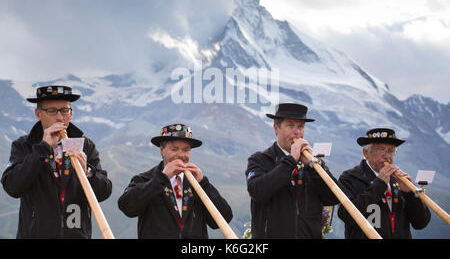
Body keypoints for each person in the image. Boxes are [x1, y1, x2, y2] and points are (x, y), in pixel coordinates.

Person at [1, 85, 112, 239]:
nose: (60, 117)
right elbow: (12, 187)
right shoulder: (24, 146)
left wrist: (88, 172)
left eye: (65, 110)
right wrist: (42, 149)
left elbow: (104, 192)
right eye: (52, 111)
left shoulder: (85, 145)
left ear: (71, 114)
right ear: (38, 114)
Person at [118, 123, 233, 239]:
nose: (181, 155)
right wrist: (161, 179)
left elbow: (223, 219)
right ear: (162, 150)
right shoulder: (145, 179)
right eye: (174, 149)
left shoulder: (197, 182)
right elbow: (127, 207)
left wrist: (203, 184)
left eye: (186, 150)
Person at [245, 103, 340, 239]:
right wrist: (291, 160)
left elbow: (333, 197)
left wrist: (313, 168)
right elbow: (257, 191)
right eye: (290, 126)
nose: (297, 132)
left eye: (300, 126)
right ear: (276, 128)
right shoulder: (260, 160)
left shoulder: (312, 163)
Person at [338, 128, 431, 238]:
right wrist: (379, 184)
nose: (387, 156)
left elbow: (420, 223)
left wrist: (409, 194)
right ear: (366, 153)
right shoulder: (350, 178)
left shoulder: (399, 180)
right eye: (381, 150)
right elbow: (346, 215)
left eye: (391, 151)